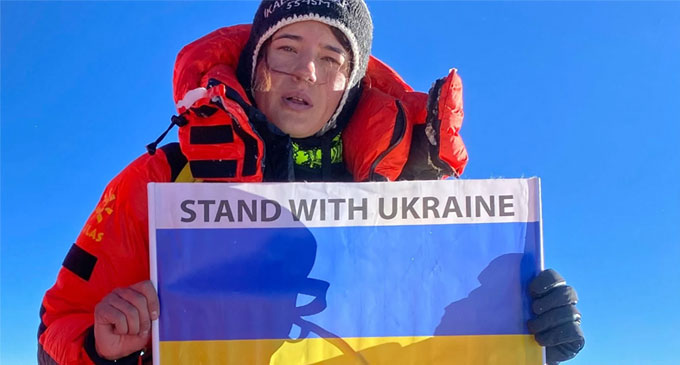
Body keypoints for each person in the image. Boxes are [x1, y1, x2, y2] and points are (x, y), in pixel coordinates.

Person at [38, 1, 584, 364]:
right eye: (287, 48)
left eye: (332, 58)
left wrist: (526, 324)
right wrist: (100, 347)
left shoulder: (415, 202)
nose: (307, 72)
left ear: (351, 83)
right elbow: (55, 328)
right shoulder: (163, 182)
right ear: (256, 62)